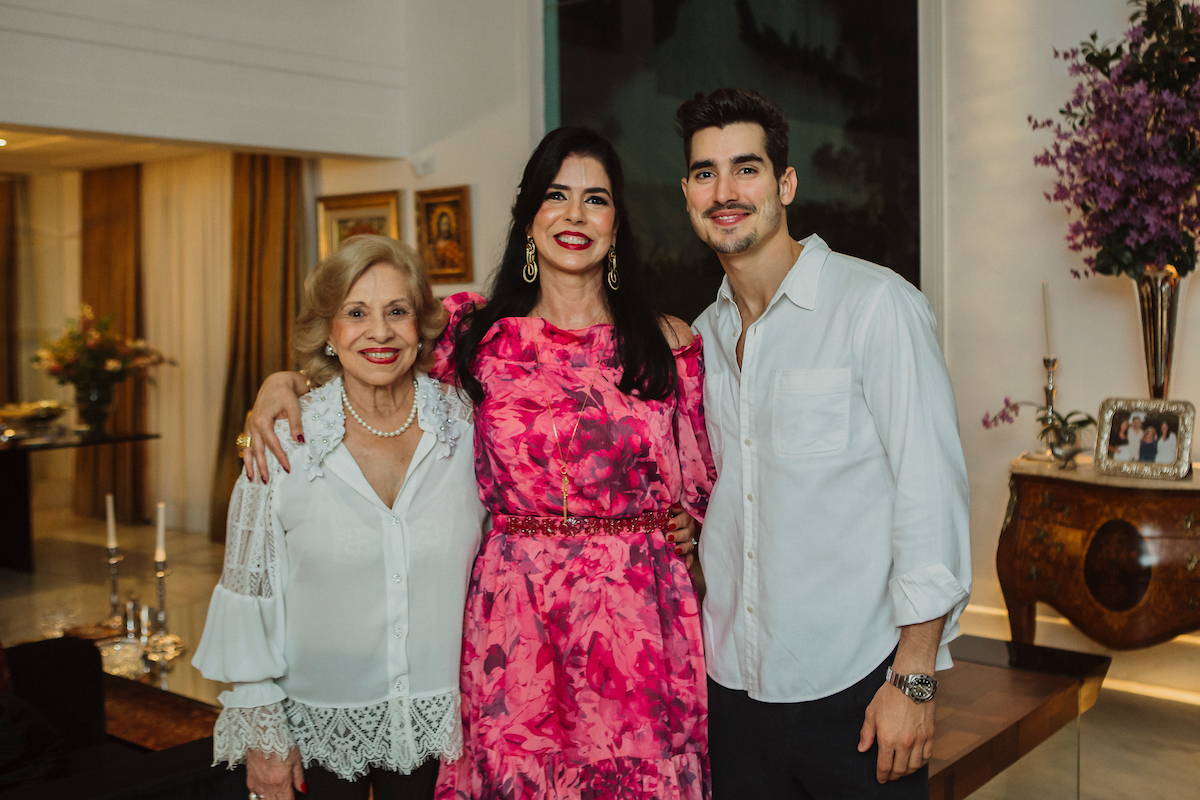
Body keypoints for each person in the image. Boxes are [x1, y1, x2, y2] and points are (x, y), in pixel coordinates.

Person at [243, 127, 714, 799]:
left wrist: (690, 536)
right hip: (511, 624)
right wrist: (281, 384)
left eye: (595, 200)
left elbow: (700, 491)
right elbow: (371, 370)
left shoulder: (667, 345)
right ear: (528, 216)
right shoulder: (473, 336)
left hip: (634, 625)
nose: (574, 215)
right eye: (556, 195)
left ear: (617, 224)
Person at [676, 88, 971, 798]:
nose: (725, 191)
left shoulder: (876, 307)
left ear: (785, 183)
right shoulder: (702, 338)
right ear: (686, 191)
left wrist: (915, 681)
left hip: (859, 690)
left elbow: (930, 498)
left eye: (746, 169)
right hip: (731, 691)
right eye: (704, 172)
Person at [193, 235, 486, 800]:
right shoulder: (283, 445)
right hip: (320, 735)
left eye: (397, 311)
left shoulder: (466, 426)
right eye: (356, 313)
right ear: (328, 331)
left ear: (421, 324)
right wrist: (266, 740)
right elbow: (251, 592)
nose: (380, 332)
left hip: (447, 727)